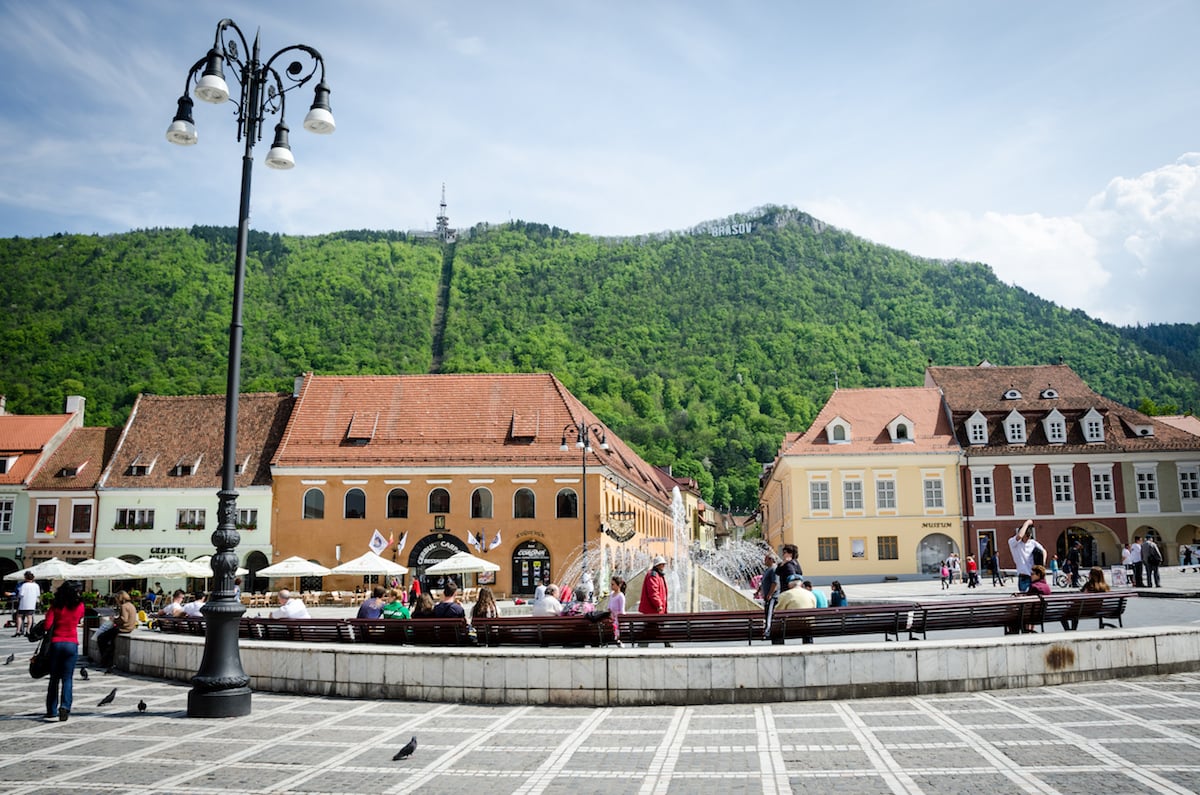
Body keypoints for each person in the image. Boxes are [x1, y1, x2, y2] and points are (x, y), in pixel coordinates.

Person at [43, 581, 85, 722]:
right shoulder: (80, 606)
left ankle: (51, 709)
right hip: (71, 644)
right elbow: (78, 619)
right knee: (67, 678)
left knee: (54, 678)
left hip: (56, 644)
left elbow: (47, 625)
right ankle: (65, 707)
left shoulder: (55, 606)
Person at [97, 590, 138, 671]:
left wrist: (114, 620)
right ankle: (107, 660)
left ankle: (105, 661)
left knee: (101, 638)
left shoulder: (124, 606)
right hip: (130, 628)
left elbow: (124, 619)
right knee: (111, 642)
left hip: (123, 628)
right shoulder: (131, 605)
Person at [1009, 519, 1046, 593]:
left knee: (1037, 599)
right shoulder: (1014, 543)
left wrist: (1042, 564)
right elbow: (1019, 536)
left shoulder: (1033, 543)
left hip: (1035, 576)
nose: (1028, 538)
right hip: (1024, 576)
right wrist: (1027, 523)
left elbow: (1044, 551)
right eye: (1026, 536)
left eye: (1029, 536)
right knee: (1026, 599)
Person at [1014, 564, 1052, 634]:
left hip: (1031, 615)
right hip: (1042, 614)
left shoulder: (1034, 586)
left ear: (1038, 575)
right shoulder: (1047, 587)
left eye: (1032, 574)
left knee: (1014, 618)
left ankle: (1018, 634)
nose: (1030, 575)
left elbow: (1028, 601)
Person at [754, 552, 779, 641]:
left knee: (769, 614)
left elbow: (775, 583)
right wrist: (758, 591)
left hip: (772, 597)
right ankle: (768, 630)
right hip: (767, 596)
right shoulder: (768, 569)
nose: (764, 561)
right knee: (767, 613)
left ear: (771, 560)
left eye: (766, 559)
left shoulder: (774, 569)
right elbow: (764, 582)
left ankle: (768, 631)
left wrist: (770, 594)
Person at [14, 571, 40, 637]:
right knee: (29, 617)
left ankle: (18, 630)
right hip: (31, 604)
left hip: (23, 603)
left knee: (19, 616)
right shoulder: (36, 585)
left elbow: (21, 594)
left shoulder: (24, 585)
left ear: (25, 578)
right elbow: (38, 594)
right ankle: (28, 630)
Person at [608, 576, 627, 647]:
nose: (611, 586)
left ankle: (619, 640)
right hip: (612, 618)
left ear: (618, 585)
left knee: (616, 627)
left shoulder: (621, 596)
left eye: (613, 584)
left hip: (619, 619)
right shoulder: (611, 594)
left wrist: (617, 618)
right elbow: (609, 606)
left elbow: (622, 610)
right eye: (611, 584)